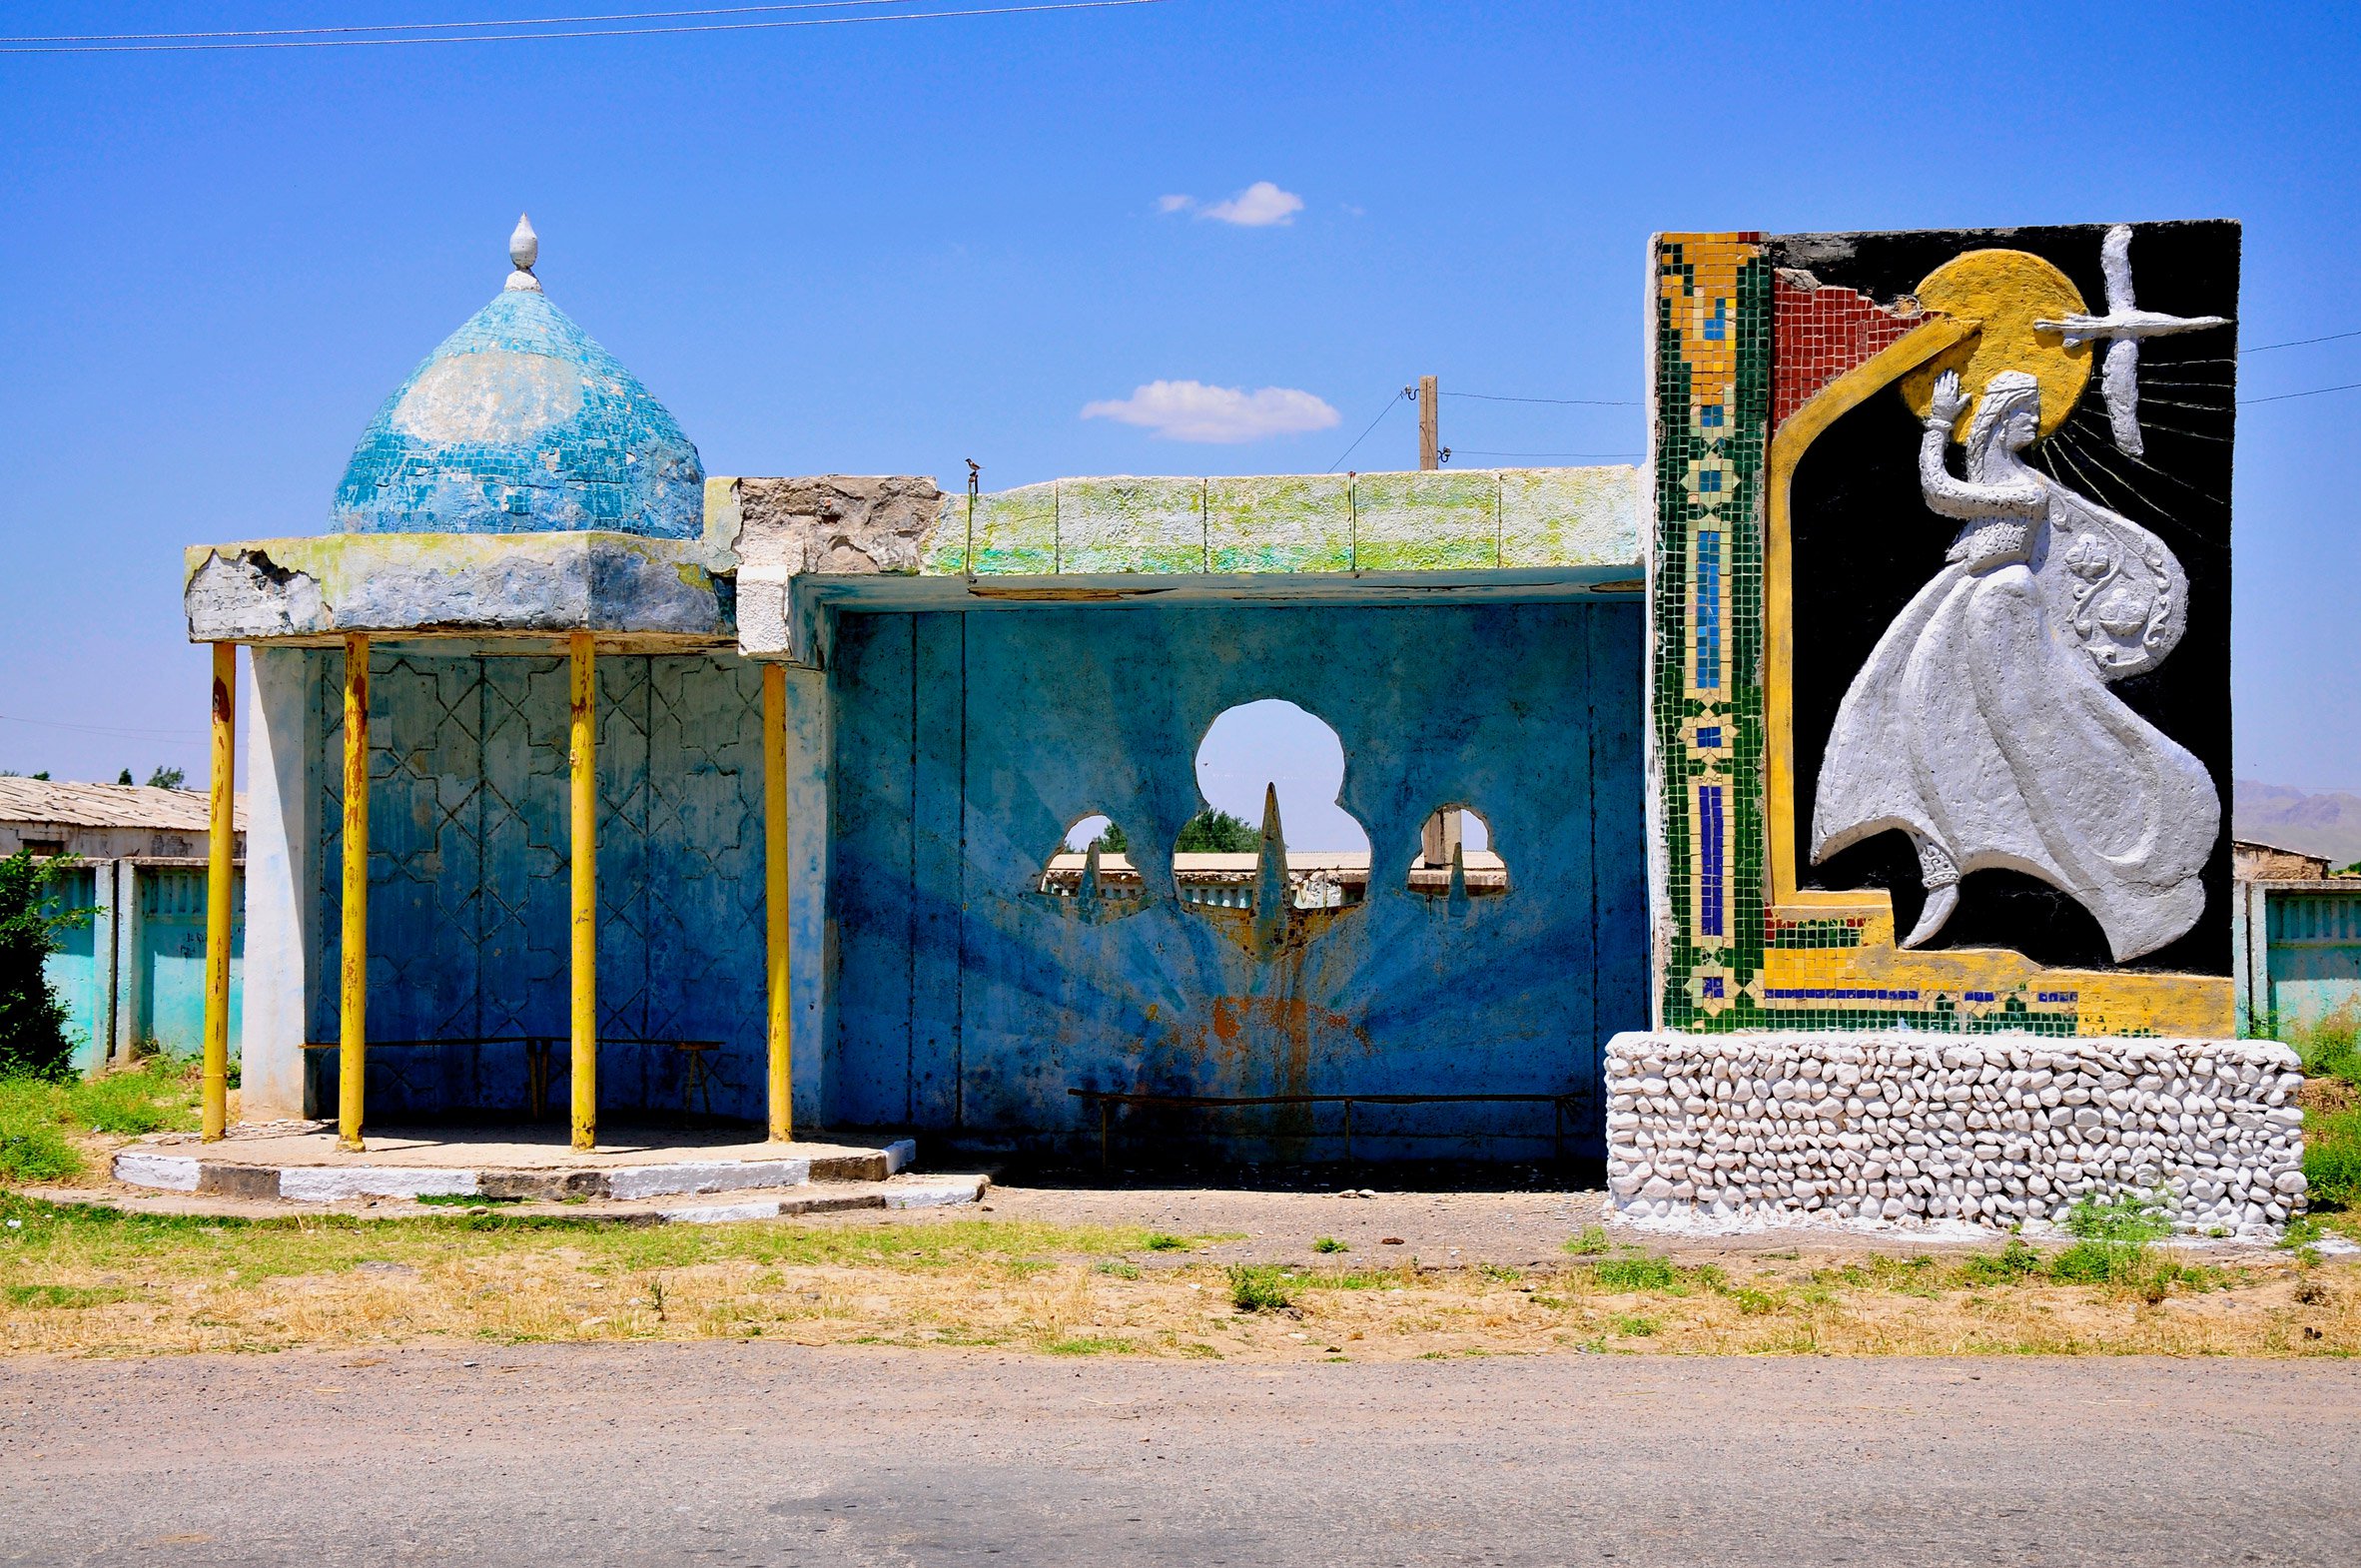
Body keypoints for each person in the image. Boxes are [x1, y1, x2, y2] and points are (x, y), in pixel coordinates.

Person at [1810, 369, 2216, 962]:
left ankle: (2107, 885)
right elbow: (1949, 493)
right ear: (2000, 417)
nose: (2036, 419)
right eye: (2026, 408)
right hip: (1965, 607)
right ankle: (1939, 864)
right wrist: (1946, 424)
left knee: (2017, 748)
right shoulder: (1995, 477)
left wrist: (1939, 425)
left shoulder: (2028, 490)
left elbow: (1938, 493)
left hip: (2002, 614)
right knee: (1913, 733)